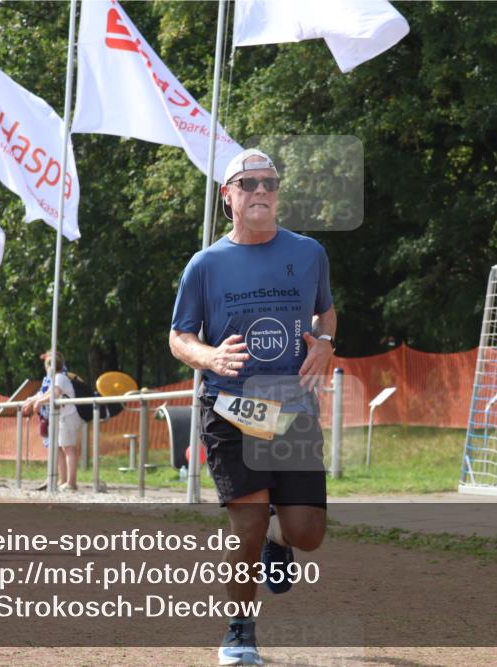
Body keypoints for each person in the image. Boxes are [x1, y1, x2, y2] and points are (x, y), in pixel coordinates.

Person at [169, 149, 337, 666]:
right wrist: (210, 355)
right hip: (230, 408)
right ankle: (239, 633)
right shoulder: (206, 264)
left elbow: (326, 313)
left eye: (269, 182)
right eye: (248, 183)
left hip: (291, 410)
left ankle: (279, 545)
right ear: (229, 195)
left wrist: (326, 343)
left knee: (307, 535)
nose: (261, 190)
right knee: (248, 524)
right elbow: (179, 337)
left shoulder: (309, 253)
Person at [22, 351, 81, 491]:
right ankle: (63, 480)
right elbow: (45, 393)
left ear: (50, 367)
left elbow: (53, 393)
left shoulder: (60, 378)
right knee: (60, 449)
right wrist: (33, 400)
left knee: (69, 448)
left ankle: (71, 483)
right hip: (61, 417)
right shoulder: (56, 378)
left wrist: (38, 402)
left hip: (67, 416)